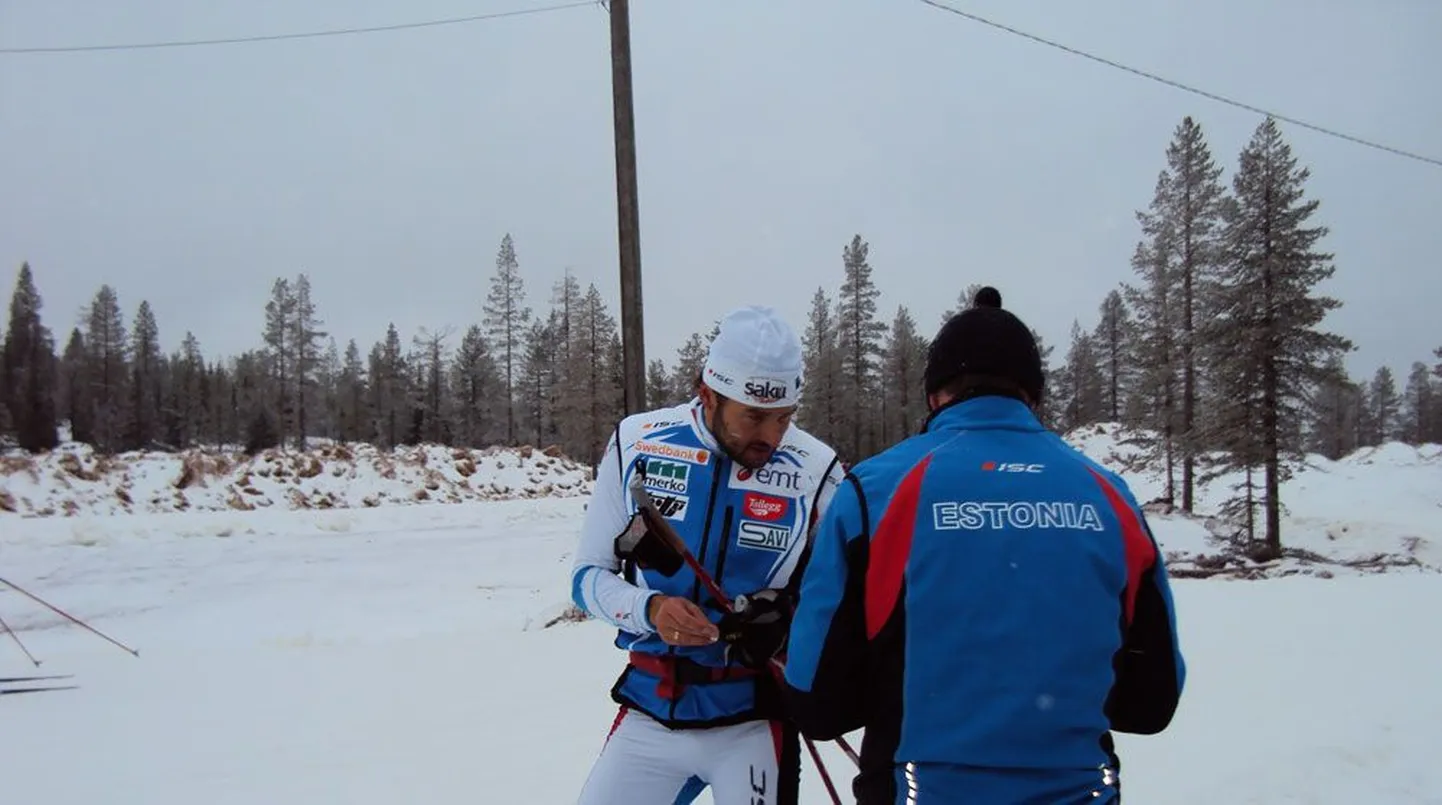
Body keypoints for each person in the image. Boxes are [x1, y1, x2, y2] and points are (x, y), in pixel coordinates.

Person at [782, 286, 1185, 804]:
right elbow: (1151, 702)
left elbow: (818, 702)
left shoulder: (877, 491)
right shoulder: (1110, 496)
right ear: (1033, 396)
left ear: (935, 395)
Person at [570, 305, 847, 805]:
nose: (772, 436)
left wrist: (784, 621)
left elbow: (838, 602)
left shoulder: (817, 469)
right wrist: (649, 610)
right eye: (754, 417)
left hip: (751, 720)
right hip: (651, 710)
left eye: (784, 417)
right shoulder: (639, 443)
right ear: (708, 395)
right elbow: (587, 577)